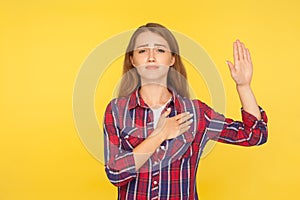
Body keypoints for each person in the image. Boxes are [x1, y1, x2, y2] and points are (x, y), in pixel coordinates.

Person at [103, 23, 268, 200]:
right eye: (142, 51)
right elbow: (116, 173)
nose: (151, 57)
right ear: (132, 60)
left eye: (160, 50)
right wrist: (159, 135)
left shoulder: (195, 113)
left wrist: (243, 86)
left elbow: (254, 135)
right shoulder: (117, 111)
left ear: (172, 59)